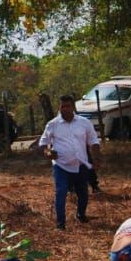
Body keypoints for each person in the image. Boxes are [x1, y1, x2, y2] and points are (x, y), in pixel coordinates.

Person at [37, 95, 100, 229]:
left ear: (73, 107)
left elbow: (93, 141)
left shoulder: (84, 123)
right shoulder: (52, 124)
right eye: (62, 106)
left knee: (83, 192)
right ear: (59, 107)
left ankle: (81, 215)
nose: (65, 109)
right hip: (61, 165)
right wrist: (48, 152)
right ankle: (60, 224)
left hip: (80, 164)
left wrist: (96, 159)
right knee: (61, 191)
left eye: (68, 106)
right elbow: (44, 142)